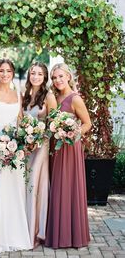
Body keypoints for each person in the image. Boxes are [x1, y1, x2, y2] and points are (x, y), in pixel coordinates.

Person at [0, 59, 32, 254]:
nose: (5, 74)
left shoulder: (17, 93)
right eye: (1, 70)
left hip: (15, 149)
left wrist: (22, 141)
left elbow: (19, 120)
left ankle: (15, 236)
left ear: (12, 73)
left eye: (8, 70)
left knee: (15, 191)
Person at [45, 63, 91, 249]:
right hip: (56, 148)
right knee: (58, 187)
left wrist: (73, 133)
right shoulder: (55, 96)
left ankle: (73, 235)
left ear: (68, 77)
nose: (57, 80)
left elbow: (87, 123)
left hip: (71, 148)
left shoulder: (75, 99)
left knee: (70, 187)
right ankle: (59, 233)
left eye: (60, 76)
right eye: (54, 78)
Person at [22, 62, 57, 248]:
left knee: (36, 184)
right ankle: (24, 227)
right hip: (27, 147)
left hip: (41, 146)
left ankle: (36, 232)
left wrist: (39, 135)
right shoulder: (24, 96)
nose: (36, 76)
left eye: (40, 74)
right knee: (26, 184)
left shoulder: (49, 97)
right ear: (29, 75)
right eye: (33, 73)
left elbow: (54, 124)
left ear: (44, 78)